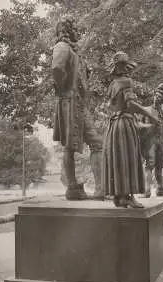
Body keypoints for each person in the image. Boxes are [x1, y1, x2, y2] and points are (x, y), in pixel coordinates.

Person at [51, 17, 104, 200]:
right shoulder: (62, 47)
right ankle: (73, 188)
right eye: (74, 28)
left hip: (79, 103)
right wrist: (64, 90)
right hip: (69, 101)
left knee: (96, 143)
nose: (77, 31)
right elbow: (57, 69)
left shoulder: (74, 51)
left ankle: (99, 189)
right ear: (67, 29)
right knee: (69, 146)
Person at [102, 52, 160, 208]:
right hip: (125, 124)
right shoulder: (126, 82)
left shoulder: (112, 84)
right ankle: (128, 196)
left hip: (113, 125)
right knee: (129, 158)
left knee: (118, 159)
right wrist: (150, 115)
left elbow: (111, 106)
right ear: (125, 66)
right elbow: (131, 105)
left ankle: (119, 196)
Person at [139, 84, 163, 197]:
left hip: (160, 142)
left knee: (159, 165)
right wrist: (149, 126)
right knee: (149, 165)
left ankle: (160, 189)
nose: (157, 98)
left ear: (162, 100)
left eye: (160, 97)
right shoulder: (146, 110)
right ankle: (147, 190)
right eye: (156, 95)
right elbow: (138, 125)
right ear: (154, 96)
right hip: (150, 143)